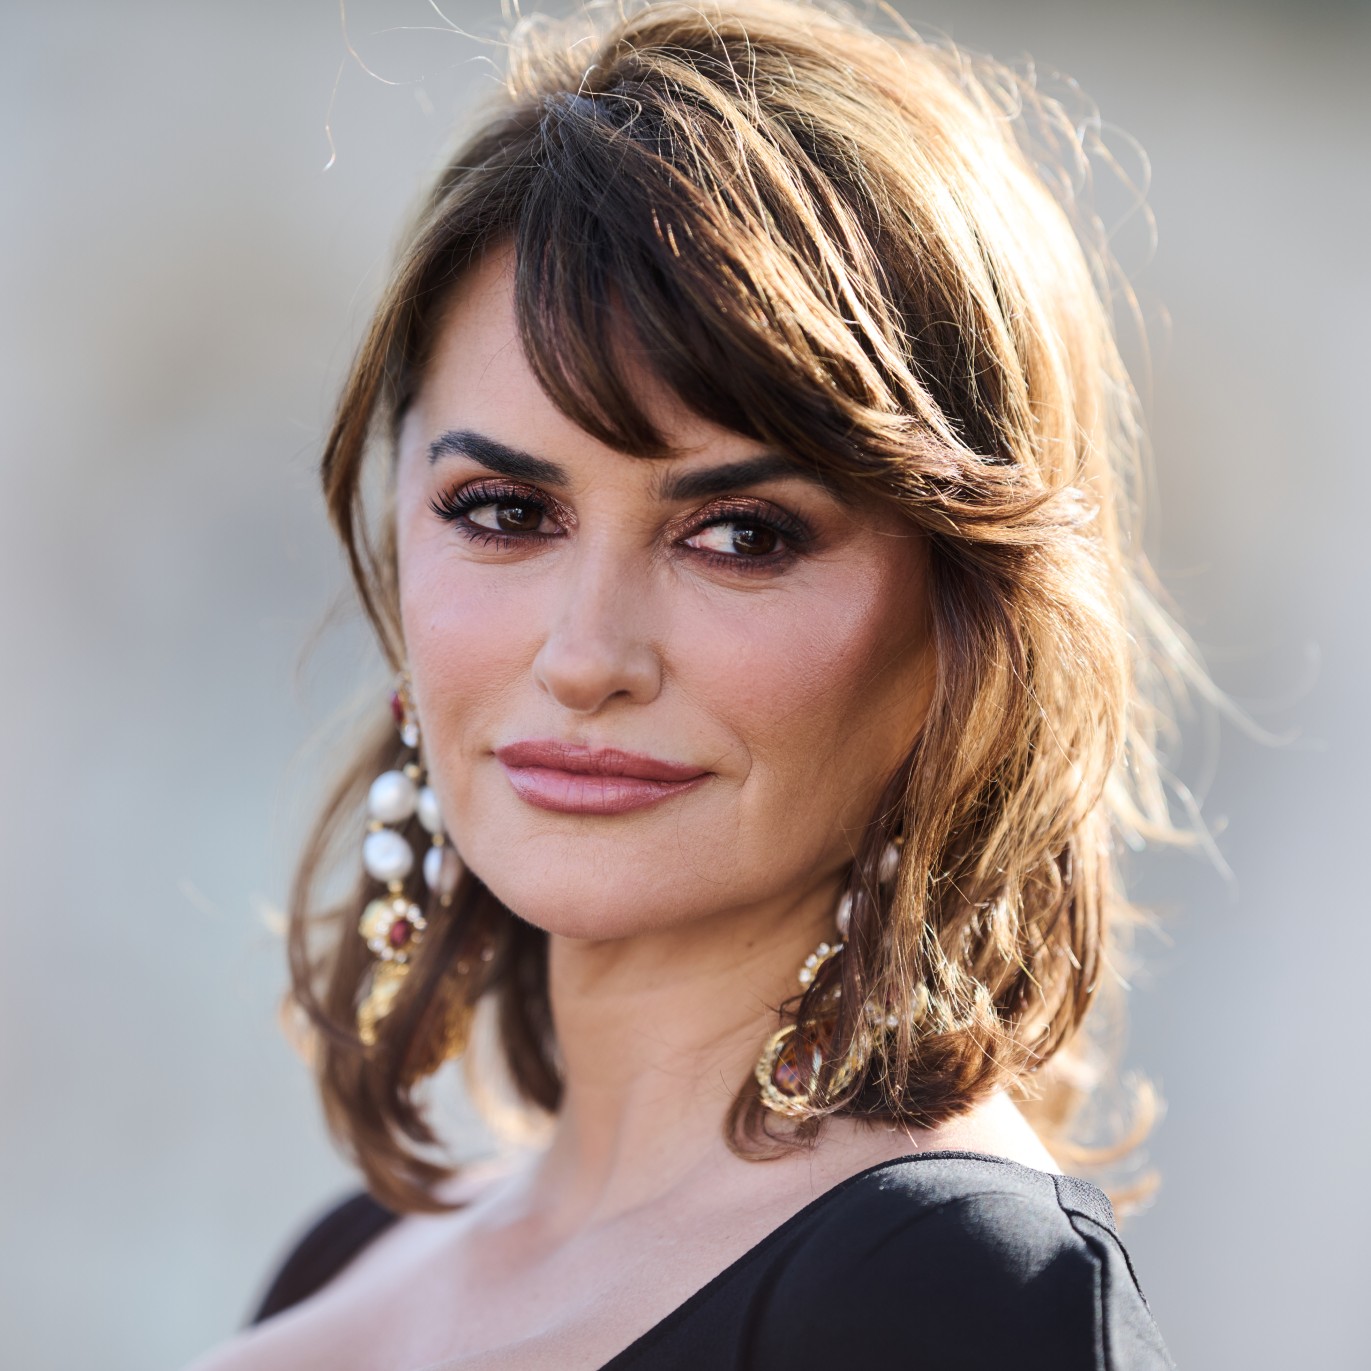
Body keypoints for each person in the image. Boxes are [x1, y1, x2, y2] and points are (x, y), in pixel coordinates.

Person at [189, 0, 1187, 1365]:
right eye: (501, 510)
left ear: (966, 627)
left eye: (743, 535)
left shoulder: (951, 1293)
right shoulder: (347, 1254)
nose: (588, 656)